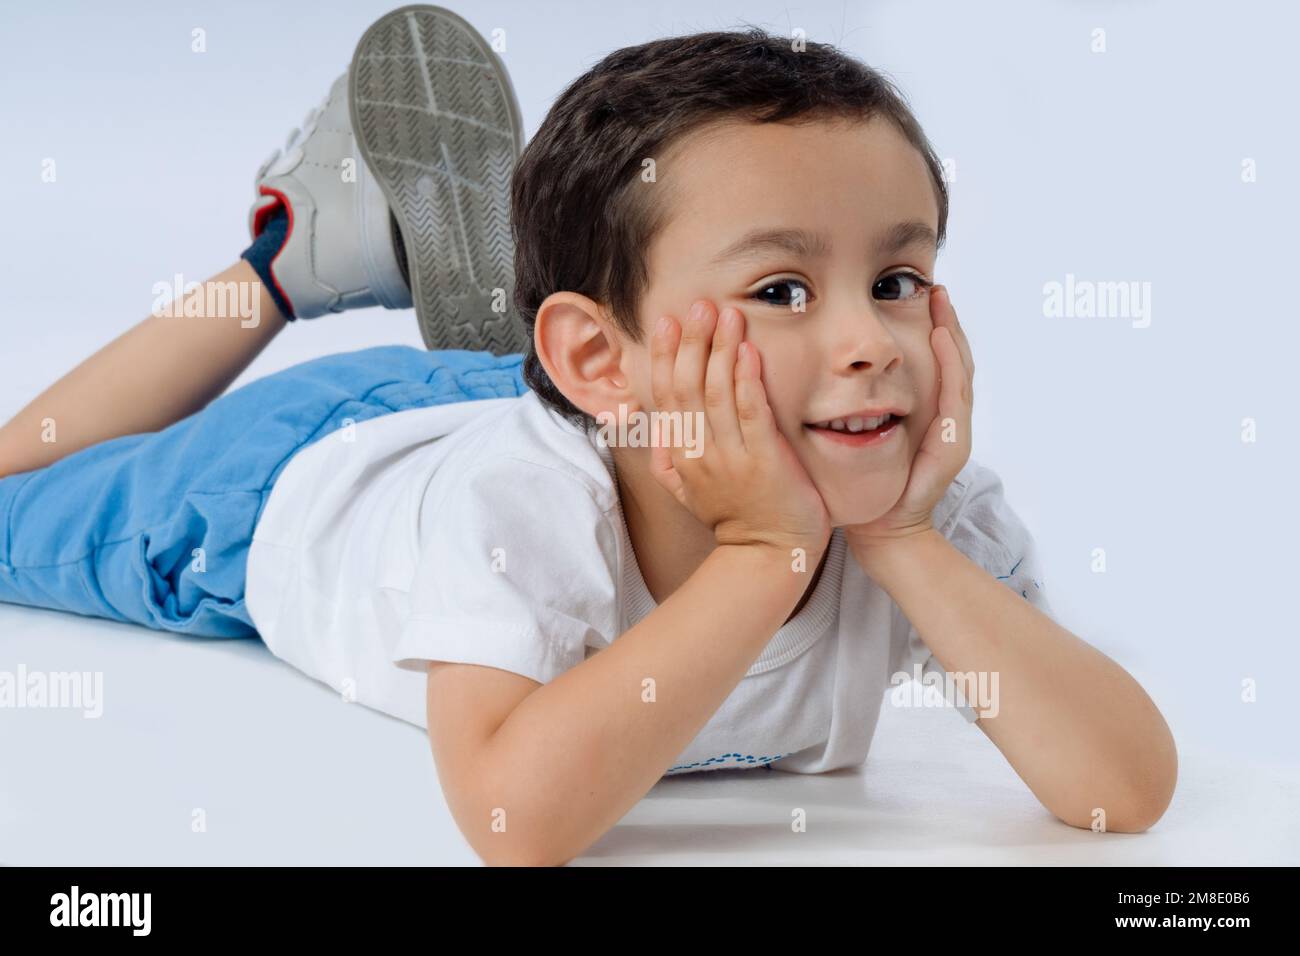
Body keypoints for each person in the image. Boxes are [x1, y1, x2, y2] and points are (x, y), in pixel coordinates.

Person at [0, 6, 1177, 866]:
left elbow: (1121, 790)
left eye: (897, 279)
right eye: (781, 290)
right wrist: (764, 552)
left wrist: (906, 541)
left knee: (561, 385)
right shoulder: (518, 509)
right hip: (301, 479)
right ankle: (291, 258)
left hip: (564, 396)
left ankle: (498, 295)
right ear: (603, 359)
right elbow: (512, 819)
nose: (870, 342)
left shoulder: (916, 506)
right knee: (11, 487)